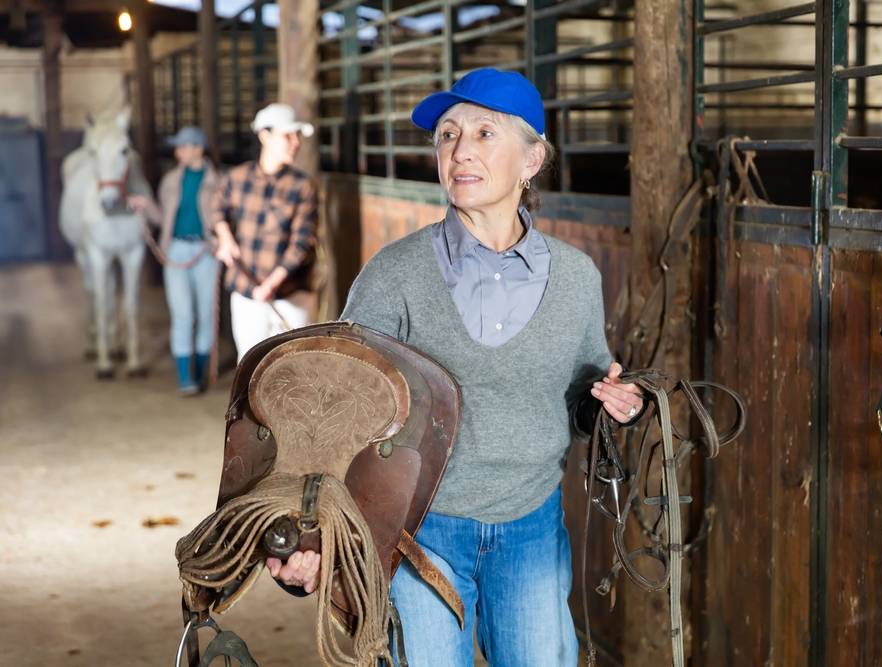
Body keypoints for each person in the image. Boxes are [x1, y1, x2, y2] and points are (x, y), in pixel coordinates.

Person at [268, 68, 646, 666]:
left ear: (532, 159)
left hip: (530, 526)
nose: (460, 150)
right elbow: (331, 414)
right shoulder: (394, 275)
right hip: (421, 529)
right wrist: (308, 529)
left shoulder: (577, 279)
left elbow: (581, 397)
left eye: (484, 133)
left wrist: (610, 403)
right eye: (447, 135)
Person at [211, 103, 319, 361]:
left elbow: (301, 243)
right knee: (250, 366)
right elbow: (216, 207)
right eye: (287, 136)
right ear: (264, 136)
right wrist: (224, 236)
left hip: (290, 294)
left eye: (297, 136)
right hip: (247, 291)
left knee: (296, 367)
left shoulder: (302, 186)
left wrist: (271, 284)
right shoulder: (237, 178)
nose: (295, 142)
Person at [127, 126, 220, 395]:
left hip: (205, 251)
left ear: (198, 149)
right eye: (178, 147)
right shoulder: (170, 180)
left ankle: (200, 372)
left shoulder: (217, 182)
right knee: (182, 314)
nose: (178, 151)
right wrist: (145, 206)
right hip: (176, 250)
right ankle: (185, 378)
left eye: (183, 146)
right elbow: (161, 218)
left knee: (205, 314)